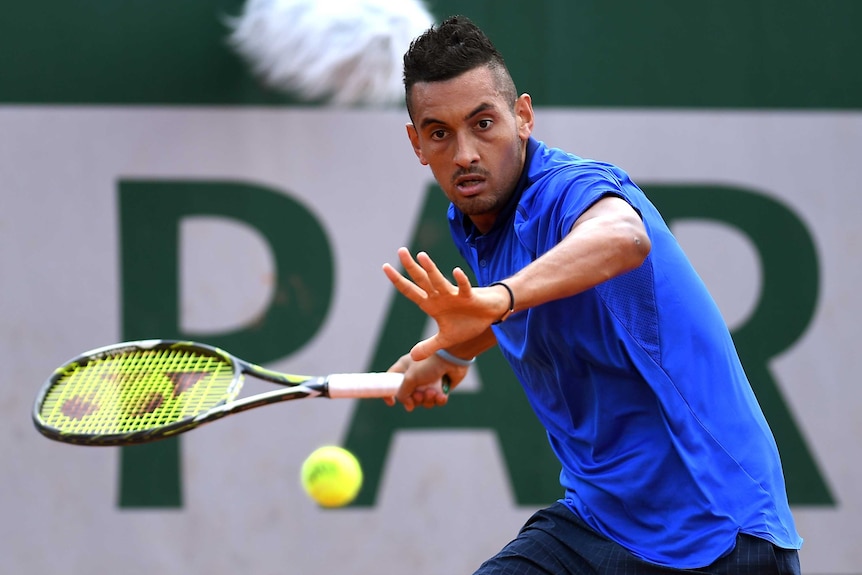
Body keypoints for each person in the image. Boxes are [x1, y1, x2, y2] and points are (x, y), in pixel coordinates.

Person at [380, 14, 803, 575]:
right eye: (440, 133)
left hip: (717, 532)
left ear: (522, 116)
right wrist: (454, 352)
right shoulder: (478, 219)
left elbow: (622, 239)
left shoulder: (570, 188)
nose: (465, 153)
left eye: (484, 123)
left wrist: (496, 300)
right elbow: (534, 295)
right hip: (599, 524)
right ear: (417, 143)